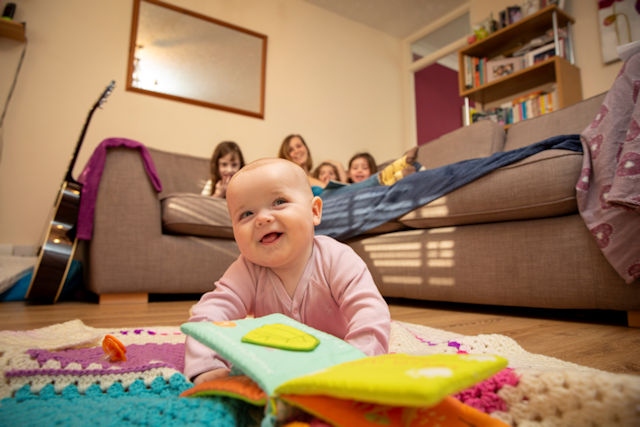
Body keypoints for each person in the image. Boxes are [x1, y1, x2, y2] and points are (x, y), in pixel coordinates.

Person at [184, 158, 391, 385]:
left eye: (279, 201)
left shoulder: (338, 259)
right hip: (276, 370)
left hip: (338, 361)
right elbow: (209, 315)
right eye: (246, 214)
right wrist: (206, 367)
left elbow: (370, 312)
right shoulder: (248, 269)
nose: (262, 218)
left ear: (314, 211)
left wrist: (359, 361)